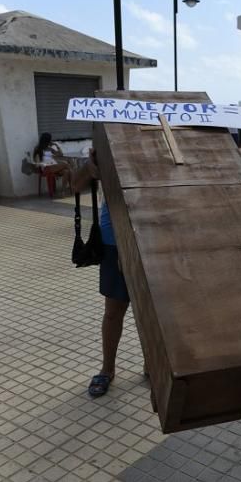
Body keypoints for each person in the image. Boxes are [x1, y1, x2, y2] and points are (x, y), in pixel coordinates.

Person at [72, 151, 132, 398]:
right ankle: (107, 369)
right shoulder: (104, 148)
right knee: (113, 311)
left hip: (153, 239)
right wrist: (90, 167)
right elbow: (75, 184)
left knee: (156, 314)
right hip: (112, 243)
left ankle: (153, 365)